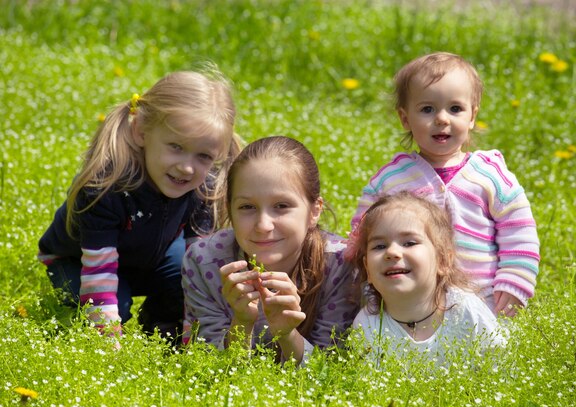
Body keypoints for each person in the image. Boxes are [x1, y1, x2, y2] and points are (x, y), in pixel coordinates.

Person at [38, 69, 241, 339]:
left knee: (186, 272)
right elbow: (99, 271)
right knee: (113, 305)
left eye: (203, 156)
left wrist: (197, 339)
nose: (187, 168)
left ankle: (161, 326)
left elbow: (200, 270)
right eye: (176, 147)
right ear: (140, 131)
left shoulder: (204, 186)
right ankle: (87, 317)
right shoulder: (106, 185)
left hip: (151, 257)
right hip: (80, 260)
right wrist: (108, 341)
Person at [351, 52, 540, 317]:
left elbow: (518, 231)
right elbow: (362, 234)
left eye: (455, 109)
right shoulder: (391, 179)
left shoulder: (491, 174)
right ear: (405, 119)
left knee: (485, 355)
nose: (442, 118)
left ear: (472, 116)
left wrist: (515, 279)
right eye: (427, 109)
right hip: (410, 303)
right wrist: (362, 277)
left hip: (483, 298)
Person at [182, 136, 359, 363]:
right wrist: (242, 321)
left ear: (314, 211)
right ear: (230, 210)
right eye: (247, 207)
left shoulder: (339, 265)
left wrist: (287, 334)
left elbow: (328, 370)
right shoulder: (205, 262)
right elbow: (210, 366)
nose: (263, 225)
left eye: (281, 206)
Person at [348, 191, 506, 361]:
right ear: (367, 269)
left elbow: (501, 370)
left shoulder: (468, 311)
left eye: (409, 243)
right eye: (379, 246)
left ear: (443, 260)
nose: (392, 252)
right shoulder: (367, 325)